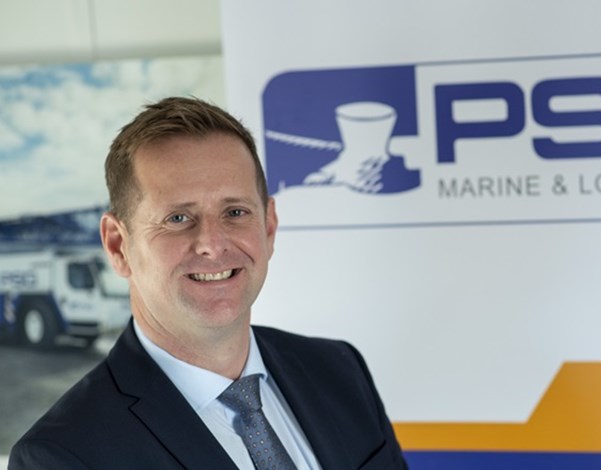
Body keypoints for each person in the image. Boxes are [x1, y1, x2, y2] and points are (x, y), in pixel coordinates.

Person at [10, 97, 407, 469]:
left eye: (235, 212)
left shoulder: (339, 371)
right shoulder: (62, 456)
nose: (213, 245)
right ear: (118, 245)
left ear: (269, 226)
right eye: (178, 218)